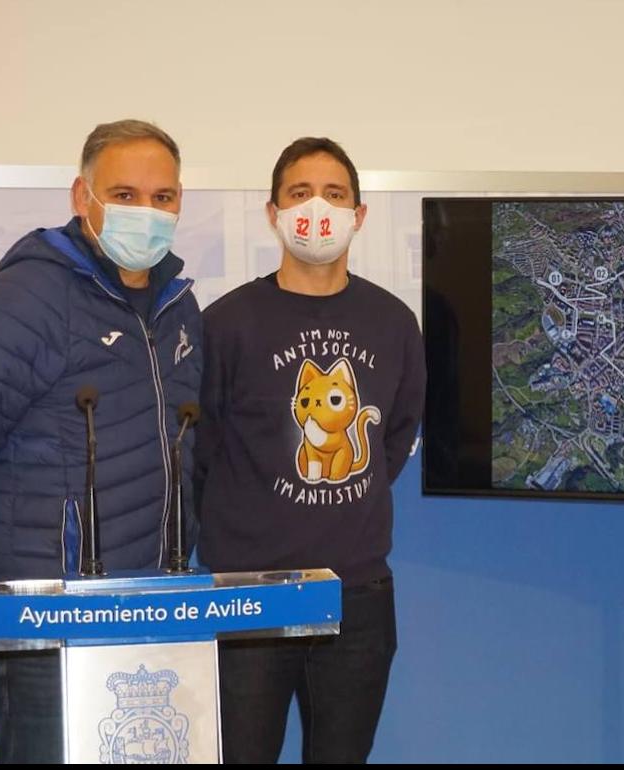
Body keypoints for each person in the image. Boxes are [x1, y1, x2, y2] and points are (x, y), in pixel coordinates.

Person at [0, 119, 202, 763]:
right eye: (123, 195)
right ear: (81, 196)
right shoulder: (27, 297)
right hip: (46, 619)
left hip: (149, 607)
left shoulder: (179, 305)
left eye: (163, 198)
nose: (145, 213)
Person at [195, 137, 425, 763]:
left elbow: (395, 436)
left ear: (360, 213)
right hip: (248, 593)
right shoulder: (227, 323)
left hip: (356, 597)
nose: (316, 208)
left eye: (334, 194)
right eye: (299, 194)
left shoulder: (394, 322)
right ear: (273, 213)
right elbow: (202, 445)